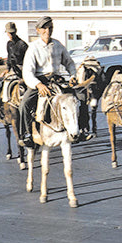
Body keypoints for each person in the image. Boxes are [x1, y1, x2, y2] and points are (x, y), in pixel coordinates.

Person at [18, 16, 77, 147]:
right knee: (25, 104)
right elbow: (27, 72)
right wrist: (38, 85)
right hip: (39, 80)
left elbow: (69, 62)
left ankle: (81, 129)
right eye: (44, 28)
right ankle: (26, 134)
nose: (47, 31)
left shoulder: (58, 45)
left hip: (56, 80)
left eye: (50, 28)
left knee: (79, 98)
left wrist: (73, 75)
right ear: (38, 30)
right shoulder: (33, 47)